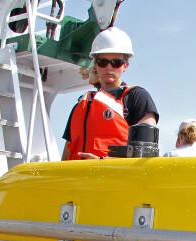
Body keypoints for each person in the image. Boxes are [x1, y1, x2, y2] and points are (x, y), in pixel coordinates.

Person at [62, 26, 158, 160]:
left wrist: (102, 163)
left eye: (116, 63)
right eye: (102, 62)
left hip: (115, 179)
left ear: (126, 65)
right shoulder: (81, 104)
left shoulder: (137, 97)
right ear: (95, 64)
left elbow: (146, 154)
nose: (109, 67)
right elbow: (67, 151)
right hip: (78, 179)